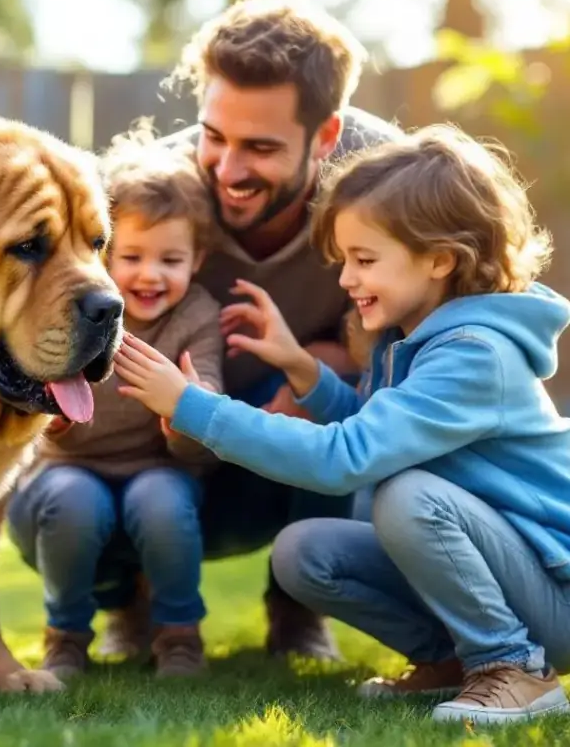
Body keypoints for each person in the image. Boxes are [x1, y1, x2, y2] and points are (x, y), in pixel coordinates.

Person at [111, 123, 570, 724]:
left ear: (439, 258)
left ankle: (513, 668)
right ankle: (450, 662)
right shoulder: (408, 342)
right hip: (510, 575)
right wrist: (303, 368)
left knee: (408, 496)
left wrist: (192, 407)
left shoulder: (474, 354)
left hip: (553, 590)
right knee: (304, 553)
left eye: (364, 260)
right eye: (343, 260)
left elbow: (346, 457)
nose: (346, 279)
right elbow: (374, 425)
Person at [96, 0, 404, 662]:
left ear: (325, 136)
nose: (228, 170)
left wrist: (320, 365)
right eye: (214, 137)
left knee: (347, 407)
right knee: (53, 503)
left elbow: (423, 333)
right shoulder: (151, 186)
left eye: (260, 148)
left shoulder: (388, 180)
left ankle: (296, 609)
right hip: (150, 440)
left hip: (298, 440)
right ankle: (129, 597)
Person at [6, 130, 224, 679]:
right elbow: (33, 395)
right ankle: (67, 635)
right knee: (73, 504)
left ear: (197, 259)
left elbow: (207, 416)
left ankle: (178, 634)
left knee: (164, 503)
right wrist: (46, 423)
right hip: (70, 464)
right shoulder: (82, 309)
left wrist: (185, 410)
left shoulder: (197, 316)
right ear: (100, 252)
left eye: (170, 259)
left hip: (157, 466)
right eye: (132, 256)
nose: (151, 274)